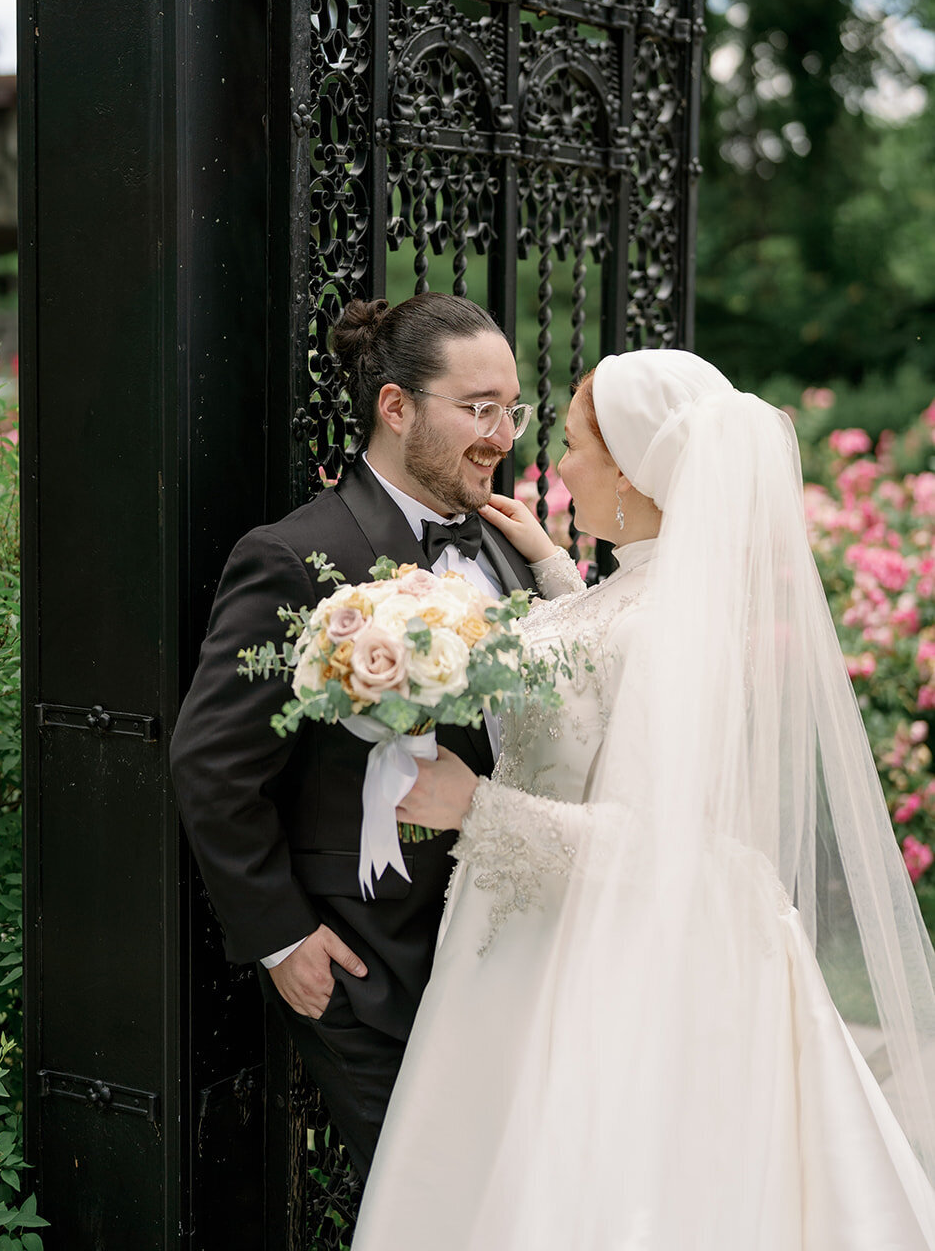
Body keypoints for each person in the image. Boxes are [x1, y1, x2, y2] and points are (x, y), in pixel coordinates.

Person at [353, 349, 935, 1250]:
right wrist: (552, 573)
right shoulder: (644, 586)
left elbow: (663, 848)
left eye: (575, 444)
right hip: (530, 936)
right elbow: (602, 680)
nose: (556, 467)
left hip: (586, 959)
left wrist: (476, 807)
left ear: (630, 471)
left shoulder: (668, 622)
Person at [169, 292, 540, 1180]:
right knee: (427, 1200)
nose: (502, 434)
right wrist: (284, 937)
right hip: (369, 964)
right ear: (396, 406)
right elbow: (212, 763)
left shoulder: (505, 543)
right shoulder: (294, 556)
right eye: (479, 408)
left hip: (509, 943)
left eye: (512, 409)